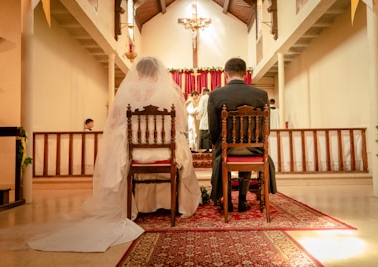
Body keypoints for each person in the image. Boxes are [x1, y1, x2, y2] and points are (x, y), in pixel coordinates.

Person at [25, 57, 202, 252]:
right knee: (182, 152)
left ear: (139, 71)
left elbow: (116, 120)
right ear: (157, 72)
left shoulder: (126, 91)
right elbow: (180, 125)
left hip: (134, 153)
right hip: (164, 152)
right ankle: (178, 204)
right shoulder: (168, 92)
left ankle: (132, 206)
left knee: (119, 148)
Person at [207, 57, 277, 213]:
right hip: (255, 150)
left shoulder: (216, 95)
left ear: (226, 74)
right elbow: (267, 128)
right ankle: (243, 199)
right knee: (248, 142)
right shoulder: (261, 94)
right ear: (245, 74)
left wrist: (220, 142)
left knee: (219, 150)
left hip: (227, 150)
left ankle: (225, 199)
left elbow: (213, 129)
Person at [197, 88, 211, 152]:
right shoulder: (211, 97)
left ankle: (205, 148)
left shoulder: (203, 98)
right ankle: (210, 148)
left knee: (204, 133)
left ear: (204, 92)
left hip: (204, 118)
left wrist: (199, 116)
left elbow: (200, 109)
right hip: (210, 119)